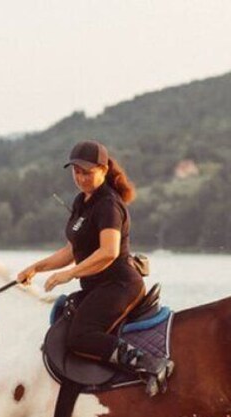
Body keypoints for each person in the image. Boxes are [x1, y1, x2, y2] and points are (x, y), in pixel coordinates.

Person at [16, 140, 173, 396]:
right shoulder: (82, 202)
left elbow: (108, 252)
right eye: (76, 172)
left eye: (87, 172)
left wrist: (69, 274)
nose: (81, 178)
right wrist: (36, 268)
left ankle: (150, 363)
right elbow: (71, 250)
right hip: (97, 286)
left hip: (120, 285)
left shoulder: (108, 205)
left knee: (80, 336)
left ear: (103, 169)